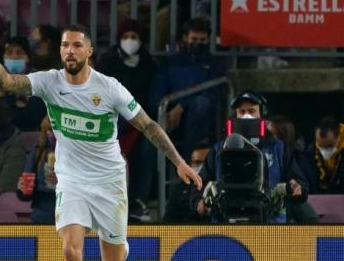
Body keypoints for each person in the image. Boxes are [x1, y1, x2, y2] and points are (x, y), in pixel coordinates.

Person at [0, 23, 201, 261]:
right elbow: (5, 81)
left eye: (76, 45)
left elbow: (147, 125)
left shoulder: (109, 88)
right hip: (71, 180)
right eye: (64, 46)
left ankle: (119, 242)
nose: (69, 51)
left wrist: (179, 162)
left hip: (109, 181)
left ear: (89, 52)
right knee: (71, 250)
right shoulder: (49, 83)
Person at [195, 91, 309, 223]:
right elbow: (199, 183)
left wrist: (297, 188)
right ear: (235, 116)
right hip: (226, 226)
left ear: (262, 115)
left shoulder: (278, 148)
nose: (246, 116)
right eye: (242, 112)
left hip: (270, 226)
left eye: (251, 111)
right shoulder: (219, 150)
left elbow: (300, 185)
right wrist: (198, 202)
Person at [98, 19, 158, 221]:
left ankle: (138, 201)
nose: (129, 41)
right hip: (112, 119)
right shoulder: (107, 63)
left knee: (148, 149)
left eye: (134, 37)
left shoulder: (149, 65)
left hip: (140, 122)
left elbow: (152, 99)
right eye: (125, 37)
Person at [150, 17, 225, 161]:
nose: (198, 43)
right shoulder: (171, 63)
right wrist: (164, 112)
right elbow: (156, 93)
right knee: (148, 148)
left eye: (202, 40)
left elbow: (213, 92)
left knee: (201, 104)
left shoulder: (214, 64)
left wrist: (182, 106)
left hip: (201, 122)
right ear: (185, 38)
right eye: (194, 39)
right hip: (169, 119)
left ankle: (187, 168)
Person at [16, 116, 56, 224]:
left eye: (54, 131)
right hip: (42, 217)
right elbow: (26, 194)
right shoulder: (38, 151)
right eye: (47, 131)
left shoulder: (80, 153)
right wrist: (22, 188)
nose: (50, 135)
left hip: (72, 216)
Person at [163, 143, 211, 223]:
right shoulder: (178, 190)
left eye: (205, 164)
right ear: (190, 164)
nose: (202, 168)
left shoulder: (216, 189)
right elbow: (168, 222)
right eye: (197, 162)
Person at [300, 117, 344, 194]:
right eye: (320, 146)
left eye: (329, 146)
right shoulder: (308, 155)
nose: (324, 150)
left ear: (338, 137)